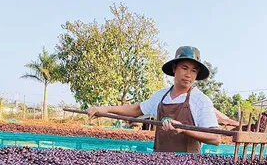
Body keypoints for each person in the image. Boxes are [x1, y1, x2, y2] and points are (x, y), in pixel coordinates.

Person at [87, 46, 221, 153]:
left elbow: (215, 138)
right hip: (159, 164)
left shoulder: (201, 100)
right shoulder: (160, 96)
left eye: (193, 71)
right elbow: (137, 109)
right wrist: (104, 109)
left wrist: (183, 130)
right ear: (174, 68)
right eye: (184, 68)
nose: (188, 75)